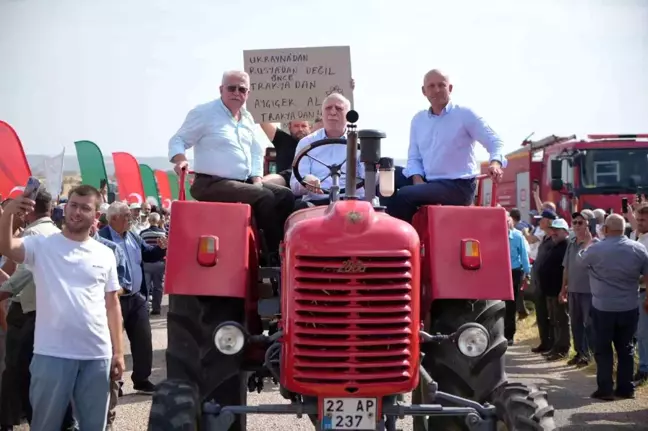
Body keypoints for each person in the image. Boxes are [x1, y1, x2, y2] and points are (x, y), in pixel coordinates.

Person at [0, 185, 125, 431]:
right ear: (65, 208)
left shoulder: (105, 254)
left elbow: (112, 304)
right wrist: (8, 214)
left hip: (96, 356)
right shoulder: (42, 245)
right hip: (52, 355)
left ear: (96, 215)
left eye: (85, 208)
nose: (77, 212)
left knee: (94, 427)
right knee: (45, 425)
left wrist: (118, 353)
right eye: (73, 206)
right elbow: (6, 247)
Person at [168, 70, 294, 257]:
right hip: (210, 183)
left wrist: (257, 178)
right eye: (232, 88)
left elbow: (255, 151)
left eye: (242, 89)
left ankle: (279, 244)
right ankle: (274, 255)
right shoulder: (204, 113)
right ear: (221, 89)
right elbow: (178, 140)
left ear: (248, 94)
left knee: (285, 195)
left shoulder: (247, 117)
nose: (237, 93)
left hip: (241, 183)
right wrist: (181, 160)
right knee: (265, 197)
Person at [0, 190, 77, 431]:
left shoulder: (32, 233)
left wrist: (2, 292)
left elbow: (22, 274)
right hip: (53, 315)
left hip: (28, 316)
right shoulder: (57, 234)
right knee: (53, 375)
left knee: (23, 376)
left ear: (29, 208)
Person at [387, 69, 505, 223]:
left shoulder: (464, 114)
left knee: (404, 195)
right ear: (424, 91)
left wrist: (495, 163)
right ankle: (385, 227)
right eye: (431, 86)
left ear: (450, 88)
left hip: (457, 186)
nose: (436, 90)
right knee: (387, 174)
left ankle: (405, 239)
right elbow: (414, 157)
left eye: (441, 85)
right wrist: (417, 179)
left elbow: (495, 141)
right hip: (430, 182)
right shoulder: (418, 120)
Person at [99, 201, 166, 394]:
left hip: (137, 298)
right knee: (113, 343)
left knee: (143, 340)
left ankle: (142, 380)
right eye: (126, 216)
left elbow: (149, 254)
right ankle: (115, 383)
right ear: (113, 219)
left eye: (130, 215)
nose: (131, 219)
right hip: (114, 301)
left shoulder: (133, 236)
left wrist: (161, 248)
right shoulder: (100, 239)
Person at [579, 214, 647, 400]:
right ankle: (626, 388)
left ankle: (605, 389)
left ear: (607, 230)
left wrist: (586, 243)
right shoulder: (639, 249)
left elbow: (581, 262)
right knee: (626, 348)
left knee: (603, 348)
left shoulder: (596, 248)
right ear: (623, 228)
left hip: (603, 307)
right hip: (629, 307)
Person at [290, 93, 365, 208]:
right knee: (299, 208)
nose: (333, 112)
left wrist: (377, 170)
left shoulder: (361, 143)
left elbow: (370, 180)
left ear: (348, 115)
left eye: (339, 108)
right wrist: (306, 181)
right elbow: (295, 186)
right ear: (322, 113)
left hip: (354, 202)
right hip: (315, 204)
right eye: (328, 108)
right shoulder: (306, 143)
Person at [559, 211, 598, 367]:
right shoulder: (572, 242)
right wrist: (563, 289)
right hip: (573, 290)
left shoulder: (595, 244)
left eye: (580, 222)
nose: (576, 225)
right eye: (574, 222)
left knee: (589, 324)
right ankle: (579, 352)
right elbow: (566, 268)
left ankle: (590, 355)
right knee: (575, 323)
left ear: (589, 224)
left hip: (589, 291)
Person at [538, 218, 571, 361]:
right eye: (553, 230)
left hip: (559, 290)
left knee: (561, 321)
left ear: (565, 231)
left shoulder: (567, 246)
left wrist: (563, 290)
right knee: (554, 320)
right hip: (550, 290)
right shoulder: (555, 245)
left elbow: (567, 270)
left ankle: (562, 349)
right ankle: (555, 347)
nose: (554, 233)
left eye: (557, 230)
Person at [259, 121, 311, 187]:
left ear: (310, 128)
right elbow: (262, 119)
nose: (300, 129)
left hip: (311, 184)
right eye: (296, 126)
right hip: (282, 185)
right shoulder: (283, 140)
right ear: (289, 127)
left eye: (303, 126)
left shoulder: (317, 144)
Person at [506, 213, 531, 345]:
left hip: (514, 272)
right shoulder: (494, 234)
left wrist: (527, 272)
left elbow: (523, 254)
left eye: (507, 222)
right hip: (499, 273)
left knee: (511, 303)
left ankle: (509, 335)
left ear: (511, 223)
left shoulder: (517, 236)